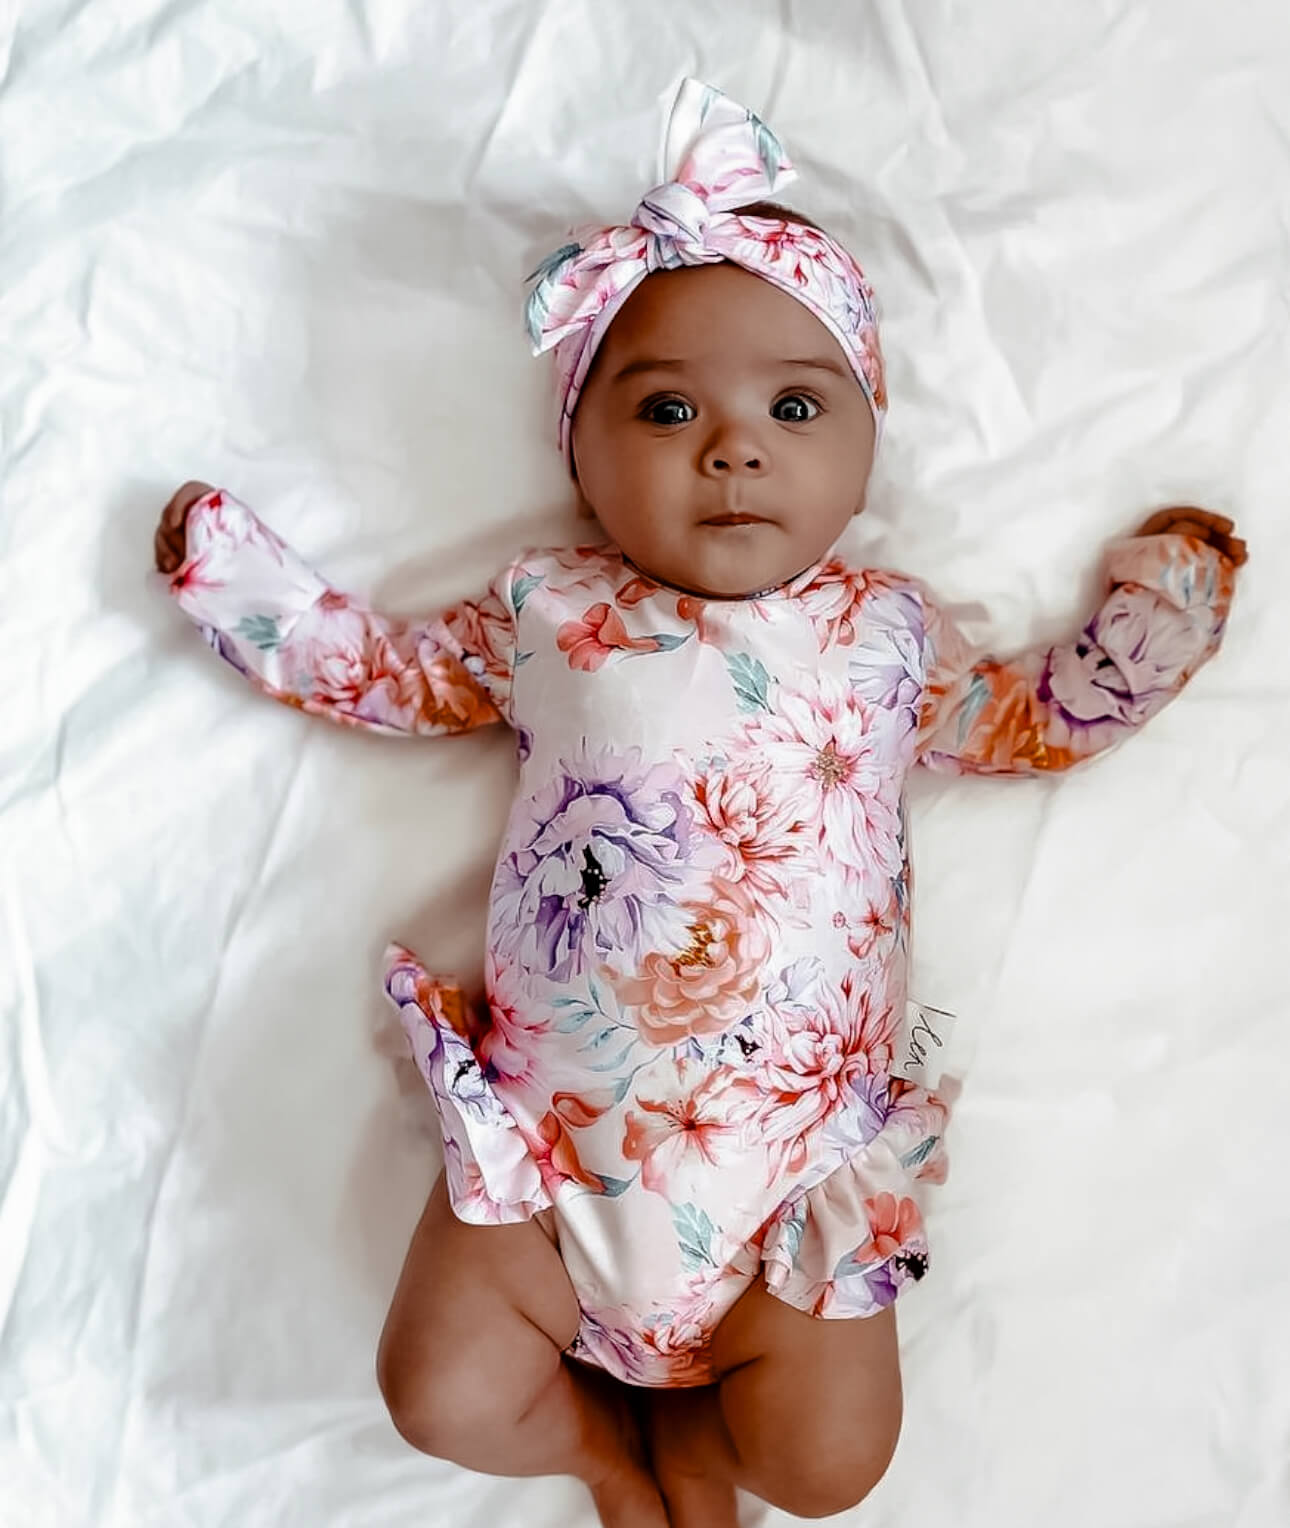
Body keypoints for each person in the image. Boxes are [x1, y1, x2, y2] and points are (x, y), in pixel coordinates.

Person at [153, 79, 1245, 1528]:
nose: (731, 446)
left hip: (786, 1210)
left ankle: (704, 1453)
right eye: (664, 407)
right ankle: (607, 1456)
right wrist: (247, 594)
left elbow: (1028, 723)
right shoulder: (548, 610)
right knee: (439, 1396)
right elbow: (391, 679)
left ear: (866, 444)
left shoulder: (886, 635)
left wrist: (1149, 628)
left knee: (831, 1469)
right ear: (578, 455)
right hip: (547, 1185)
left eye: (794, 406)